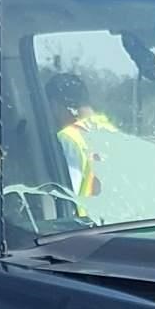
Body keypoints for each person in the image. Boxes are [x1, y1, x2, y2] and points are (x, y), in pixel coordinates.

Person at [47, 71, 119, 213]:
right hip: (113, 224)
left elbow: (68, 194)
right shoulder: (112, 133)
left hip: (83, 226)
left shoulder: (68, 138)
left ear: (55, 105)